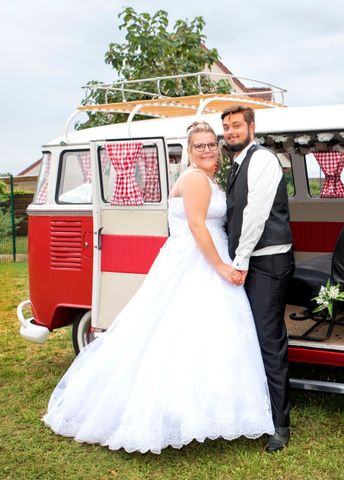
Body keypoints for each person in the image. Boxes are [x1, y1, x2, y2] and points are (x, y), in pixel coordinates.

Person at [42, 120, 274, 454]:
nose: (208, 149)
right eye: (200, 145)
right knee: (181, 336)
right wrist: (221, 266)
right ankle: (178, 412)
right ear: (189, 151)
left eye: (212, 144)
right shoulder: (195, 178)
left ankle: (211, 412)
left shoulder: (207, 178)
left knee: (209, 337)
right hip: (198, 260)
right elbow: (196, 225)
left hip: (204, 254)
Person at [222, 105, 295, 452]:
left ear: (252, 127)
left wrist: (239, 260)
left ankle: (280, 424)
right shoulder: (237, 165)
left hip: (265, 263)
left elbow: (255, 213)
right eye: (226, 127)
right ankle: (254, 411)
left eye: (236, 125)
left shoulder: (263, 160)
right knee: (248, 339)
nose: (231, 132)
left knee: (269, 342)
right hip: (250, 261)